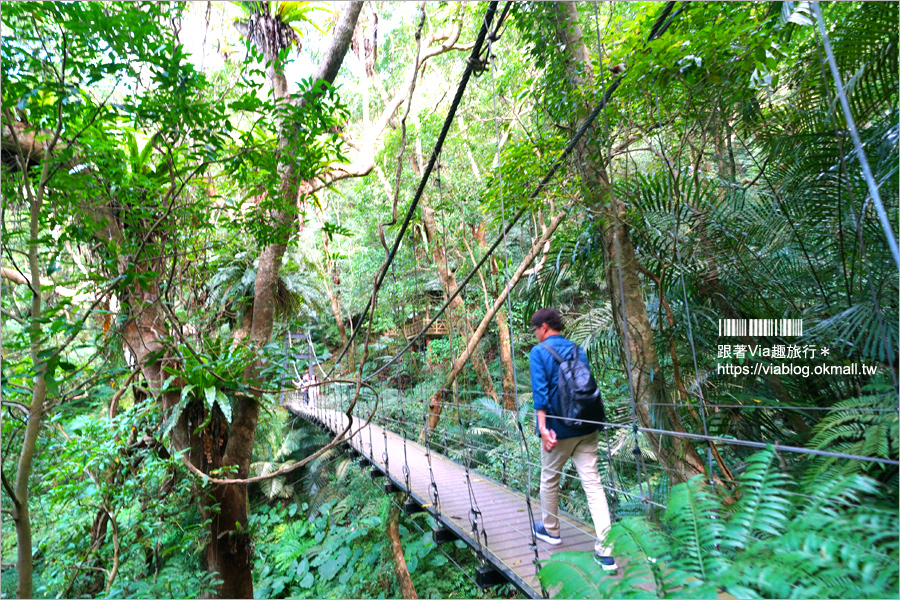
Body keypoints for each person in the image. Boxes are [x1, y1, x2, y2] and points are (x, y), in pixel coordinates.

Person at [529, 307, 617, 571]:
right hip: (587, 427)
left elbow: (540, 394)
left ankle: (552, 530)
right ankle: (606, 552)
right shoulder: (578, 350)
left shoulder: (539, 353)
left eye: (536, 329)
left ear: (544, 327)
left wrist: (544, 429)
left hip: (558, 430)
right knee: (593, 486)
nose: (536, 334)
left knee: (549, 479)